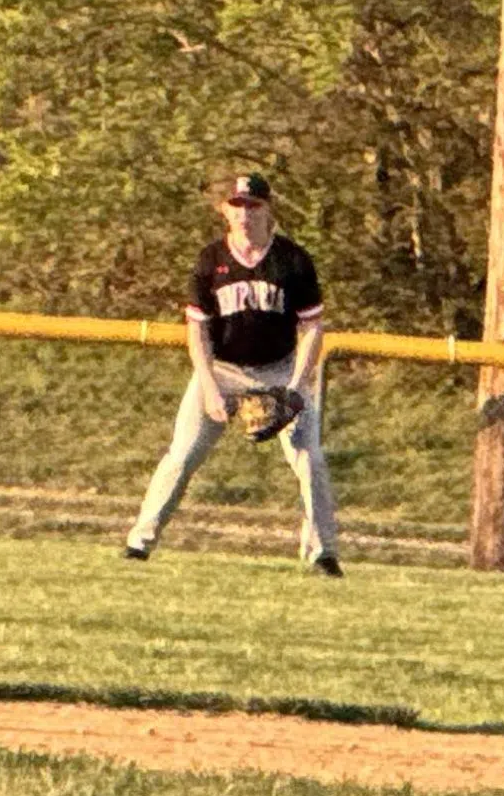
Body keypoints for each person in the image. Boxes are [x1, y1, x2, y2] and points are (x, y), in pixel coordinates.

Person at [121, 171, 342, 576]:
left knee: (309, 459)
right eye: (237, 205)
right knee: (182, 454)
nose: (244, 213)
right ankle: (139, 542)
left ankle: (324, 553)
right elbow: (197, 329)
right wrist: (207, 386)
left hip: (279, 369)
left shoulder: (292, 260)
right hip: (221, 368)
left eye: (252, 205)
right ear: (225, 210)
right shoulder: (211, 260)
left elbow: (312, 327)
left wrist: (295, 389)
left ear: (267, 209)